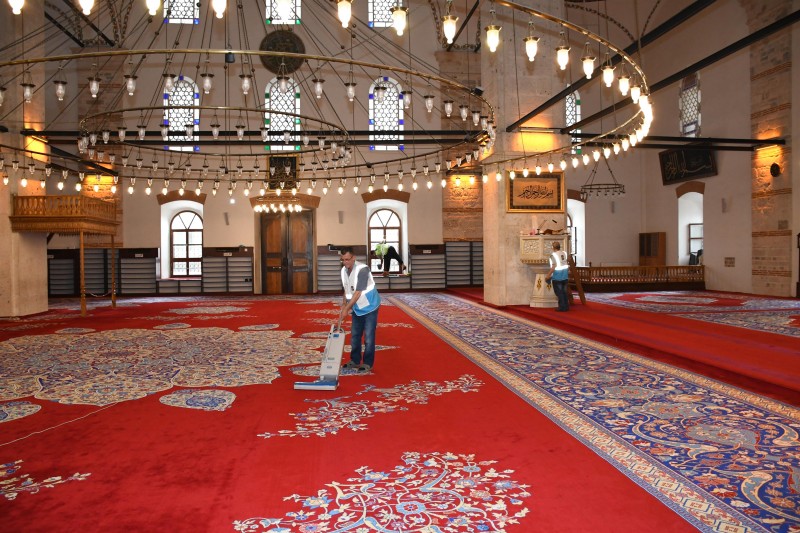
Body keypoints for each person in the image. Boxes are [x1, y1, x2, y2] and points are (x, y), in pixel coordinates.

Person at [337, 247, 381, 373]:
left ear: (354, 258)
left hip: (370, 306)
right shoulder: (344, 270)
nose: (345, 262)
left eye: (348, 259)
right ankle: (355, 360)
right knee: (355, 335)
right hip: (357, 307)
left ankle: (368, 363)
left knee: (369, 336)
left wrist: (346, 309)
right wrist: (344, 304)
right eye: (343, 260)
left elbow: (357, 293)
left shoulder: (363, 270)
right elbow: (347, 289)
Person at [545, 242, 570, 312]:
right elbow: (566, 262)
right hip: (565, 275)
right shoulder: (564, 253)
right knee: (564, 292)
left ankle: (562, 307)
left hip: (557, 277)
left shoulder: (553, 255)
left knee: (559, 293)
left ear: (553, 248)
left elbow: (553, 267)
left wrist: (548, 276)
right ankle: (566, 306)